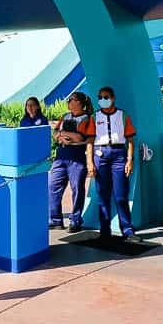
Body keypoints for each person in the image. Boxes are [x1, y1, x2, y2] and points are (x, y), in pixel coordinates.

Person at [82, 86, 140, 243]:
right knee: (102, 195)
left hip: (119, 155)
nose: (103, 100)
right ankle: (105, 231)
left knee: (121, 195)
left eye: (106, 97)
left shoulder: (123, 115)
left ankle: (127, 230)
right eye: (100, 97)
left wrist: (130, 160)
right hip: (100, 155)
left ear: (113, 98)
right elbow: (90, 141)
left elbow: (130, 140)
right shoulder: (95, 117)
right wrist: (90, 163)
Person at [49, 91, 92, 232]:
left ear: (79, 103)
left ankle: (75, 220)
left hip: (76, 155)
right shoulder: (65, 117)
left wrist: (64, 134)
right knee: (53, 186)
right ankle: (55, 220)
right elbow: (55, 132)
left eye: (71, 100)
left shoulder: (87, 118)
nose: (69, 102)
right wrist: (60, 136)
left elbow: (79, 137)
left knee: (77, 189)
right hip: (61, 154)